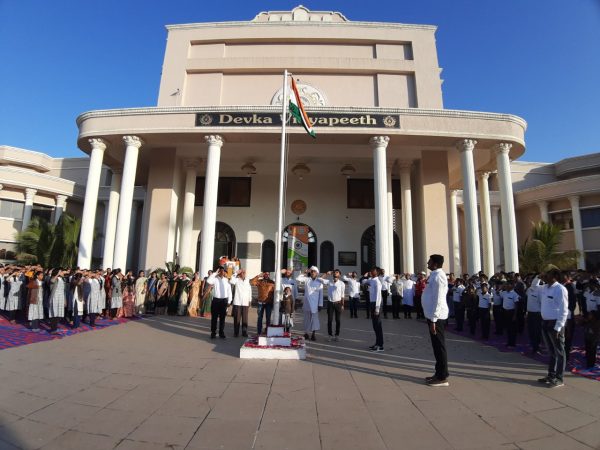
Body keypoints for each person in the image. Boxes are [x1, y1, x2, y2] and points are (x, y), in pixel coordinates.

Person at [422, 254, 450, 386]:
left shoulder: (439, 276)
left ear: (435, 264)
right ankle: (438, 372)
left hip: (437, 317)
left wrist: (433, 319)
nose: (427, 262)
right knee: (436, 346)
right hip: (432, 315)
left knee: (439, 346)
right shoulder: (434, 274)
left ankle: (442, 376)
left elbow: (438, 299)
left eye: (430, 261)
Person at [538, 269, 569, 388]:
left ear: (555, 276)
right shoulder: (545, 287)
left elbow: (564, 310)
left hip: (555, 324)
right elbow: (534, 287)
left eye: (548, 274)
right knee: (551, 351)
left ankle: (559, 378)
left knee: (559, 352)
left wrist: (558, 327)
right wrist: (538, 277)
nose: (545, 276)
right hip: (545, 322)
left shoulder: (560, 289)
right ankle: (551, 375)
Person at [297, 266, 323, 341]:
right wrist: (305, 272)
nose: (312, 273)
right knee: (306, 319)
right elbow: (298, 278)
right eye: (311, 271)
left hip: (315, 304)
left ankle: (313, 334)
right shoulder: (307, 280)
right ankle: (306, 333)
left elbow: (321, 294)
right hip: (307, 303)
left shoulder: (319, 282)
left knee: (314, 320)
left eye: (314, 271)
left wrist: (320, 305)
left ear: (317, 273)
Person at [206, 266, 232, 339]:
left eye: (223, 271)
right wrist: (215, 273)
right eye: (220, 271)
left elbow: (229, 291)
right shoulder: (214, 279)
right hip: (216, 300)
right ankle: (213, 332)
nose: (221, 272)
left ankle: (221, 332)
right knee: (214, 318)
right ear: (219, 272)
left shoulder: (227, 280)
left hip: (224, 301)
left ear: (224, 272)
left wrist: (229, 301)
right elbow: (208, 281)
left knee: (222, 318)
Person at [362, 267, 383, 351]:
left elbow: (378, 296)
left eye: (373, 271)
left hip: (376, 304)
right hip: (372, 303)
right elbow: (363, 282)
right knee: (375, 325)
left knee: (378, 325)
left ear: (377, 272)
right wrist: (365, 276)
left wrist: (377, 308)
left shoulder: (377, 282)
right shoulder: (372, 280)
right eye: (370, 270)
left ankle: (380, 345)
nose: (370, 271)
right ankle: (377, 343)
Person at [322, 269, 345, 341]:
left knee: (338, 320)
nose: (335, 274)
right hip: (330, 303)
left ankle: (337, 335)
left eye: (337, 273)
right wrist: (326, 273)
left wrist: (342, 305)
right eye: (334, 273)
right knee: (329, 320)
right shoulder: (329, 282)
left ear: (339, 275)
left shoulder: (342, 283)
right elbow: (321, 279)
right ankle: (330, 335)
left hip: (338, 303)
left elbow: (342, 295)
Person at [229, 269, 252, 337]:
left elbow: (249, 291)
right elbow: (231, 280)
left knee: (245, 318)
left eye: (244, 272)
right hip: (237, 302)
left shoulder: (248, 280)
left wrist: (250, 300)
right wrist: (236, 272)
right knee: (237, 318)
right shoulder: (236, 280)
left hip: (245, 302)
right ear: (240, 274)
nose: (243, 274)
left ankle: (244, 332)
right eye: (242, 272)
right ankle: (236, 332)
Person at [583, 281, 599, 369]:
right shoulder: (588, 293)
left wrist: (593, 316)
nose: (590, 286)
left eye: (592, 284)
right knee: (587, 339)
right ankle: (588, 357)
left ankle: (591, 362)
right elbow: (583, 295)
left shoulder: (598, 295)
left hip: (595, 320)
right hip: (588, 318)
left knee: (593, 342)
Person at [526, 275, 543, 354]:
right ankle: (534, 347)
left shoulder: (540, 290)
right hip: (530, 313)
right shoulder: (529, 290)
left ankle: (537, 347)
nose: (530, 282)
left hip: (537, 314)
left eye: (532, 281)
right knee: (531, 331)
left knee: (537, 332)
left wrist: (538, 276)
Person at [47, 268, 66, 333]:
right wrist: (57, 274)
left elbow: (63, 291)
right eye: (61, 272)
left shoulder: (62, 279)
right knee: (54, 313)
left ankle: (54, 326)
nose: (63, 273)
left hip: (61, 298)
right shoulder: (54, 278)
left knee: (58, 314)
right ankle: (53, 329)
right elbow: (52, 281)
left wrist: (64, 300)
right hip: (54, 297)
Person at [502, 281, 520, 347]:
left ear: (512, 286)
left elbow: (516, 306)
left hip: (511, 313)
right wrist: (502, 286)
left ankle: (513, 343)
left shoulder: (515, 294)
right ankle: (509, 342)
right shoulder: (504, 293)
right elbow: (498, 292)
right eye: (506, 285)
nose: (506, 286)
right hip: (505, 312)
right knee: (508, 328)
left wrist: (515, 315)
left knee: (512, 329)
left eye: (508, 285)